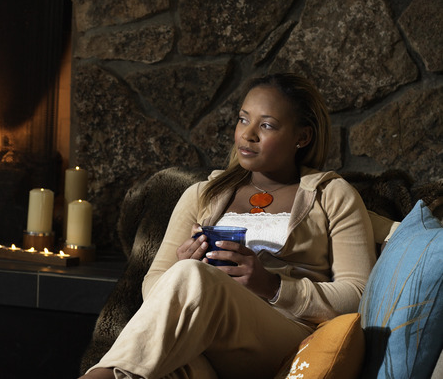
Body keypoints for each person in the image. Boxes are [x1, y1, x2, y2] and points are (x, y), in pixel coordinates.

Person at [80, 73, 376, 379]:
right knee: (169, 364)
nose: (248, 134)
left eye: (267, 125)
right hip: (206, 340)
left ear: (302, 137)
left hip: (284, 338)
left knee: (191, 280)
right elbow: (152, 285)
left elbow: (359, 294)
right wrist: (180, 271)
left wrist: (272, 286)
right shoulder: (202, 194)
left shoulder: (331, 194)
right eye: (243, 119)